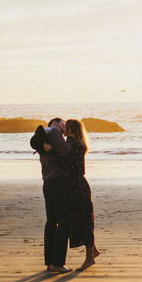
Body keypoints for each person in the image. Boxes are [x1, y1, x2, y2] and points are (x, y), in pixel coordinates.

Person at [64, 119, 100, 271]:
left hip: (77, 186)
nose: (63, 130)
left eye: (65, 128)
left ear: (71, 130)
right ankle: (94, 250)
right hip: (78, 185)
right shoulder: (77, 144)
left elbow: (63, 159)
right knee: (84, 219)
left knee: (83, 221)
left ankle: (89, 258)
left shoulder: (72, 145)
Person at [40, 117, 72, 273]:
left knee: (51, 221)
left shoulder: (43, 136)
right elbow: (65, 151)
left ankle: (50, 262)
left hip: (47, 182)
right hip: (59, 182)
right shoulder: (54, 131)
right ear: (54, 123)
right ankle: (58, 263)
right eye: (63, 125)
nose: (64, 129)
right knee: (63, 222)